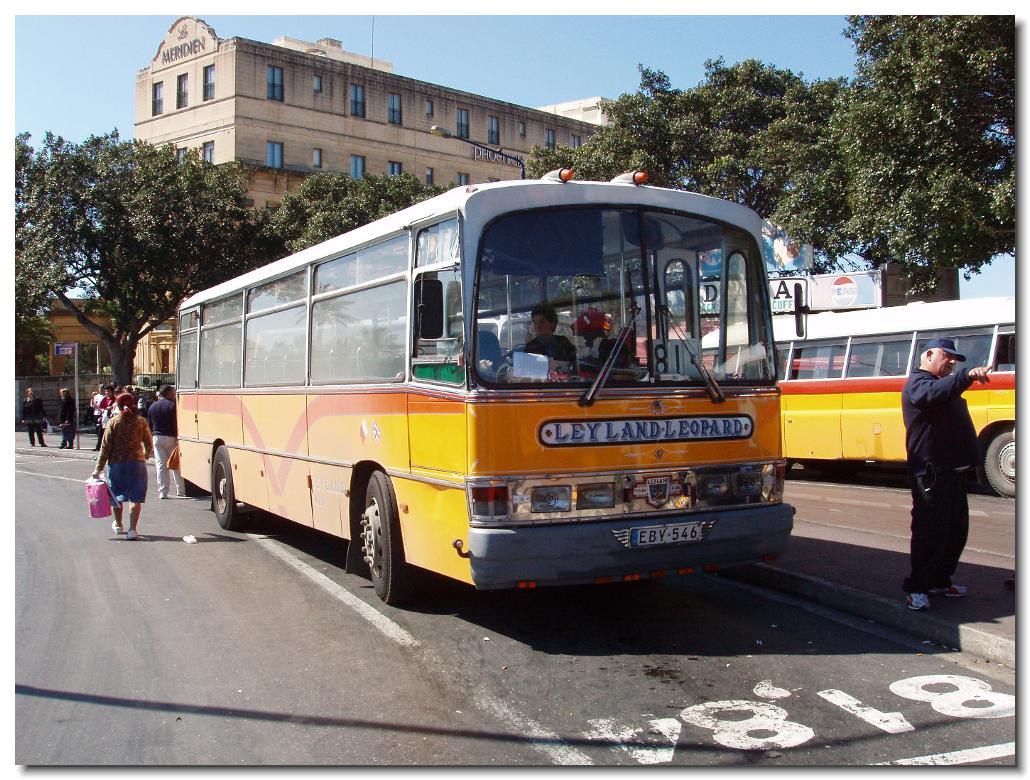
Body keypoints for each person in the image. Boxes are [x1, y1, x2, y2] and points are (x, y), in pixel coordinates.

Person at [901, 337, 991, 611]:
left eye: (956, 359)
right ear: (929, 355)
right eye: (947, 356)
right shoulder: (919, 383)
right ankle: (917, 588)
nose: (952, 362)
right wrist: (966, 376)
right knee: (930, 532)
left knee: (955, 531)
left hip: (952, 471)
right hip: (931, 472)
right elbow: (934, 393)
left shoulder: (941, 386)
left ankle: (939, 580)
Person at [92, 392, 154, 540]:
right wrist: (145, 455)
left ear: (118, 406)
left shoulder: (113, 422)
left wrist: (98, 469)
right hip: (137, 463)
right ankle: (132, 530)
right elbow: (149, 443)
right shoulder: (141, 421)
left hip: (117, 463)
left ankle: (119, 525)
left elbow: (105, 447)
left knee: (117, 496)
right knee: (136, 498)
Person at [147, 384, 184, 499]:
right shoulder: (173, 405)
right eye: (172, 392)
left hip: (157, 437)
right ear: (169, 393)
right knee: (175, 463)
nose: (174, 394)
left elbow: (150, 424)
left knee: (161, 465)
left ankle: (163, 491)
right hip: (171, 437)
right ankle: (180, 490)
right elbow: (176, 422)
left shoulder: (153, 406)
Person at [94, 385, 115, 451]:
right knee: (100, 433)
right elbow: (101, 407)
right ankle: (98, 447)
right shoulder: (105, 399)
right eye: (106, 391)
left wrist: (110, 408)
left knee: (110, 434)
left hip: (110, 418)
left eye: (108, 391)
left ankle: (109, 447)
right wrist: (102, 411)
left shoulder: (114, 399)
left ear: (112, 392)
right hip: (103, 418)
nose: (107, 393)